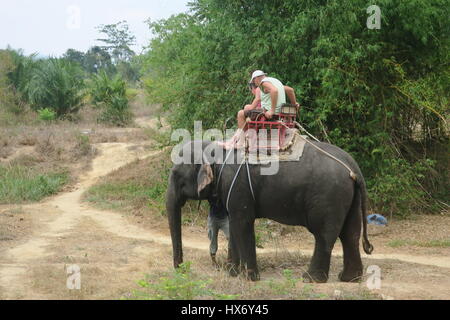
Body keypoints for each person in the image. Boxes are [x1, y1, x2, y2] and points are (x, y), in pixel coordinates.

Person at [222, 70, 300, 148]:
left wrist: (272, 110)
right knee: (249, 111)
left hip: (271, 113)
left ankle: (241, 141)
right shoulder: (274, 81)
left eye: (253, 81)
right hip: (281, 112)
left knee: (241, 113)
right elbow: (290, 90)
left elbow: (274, 91)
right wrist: (294, 104)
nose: (255, 84)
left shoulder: (263, 83)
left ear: (256, 78)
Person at [207, 199, 230, 266]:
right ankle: (213, 261)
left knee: (231, 237)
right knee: (213, 240)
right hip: (213, 218)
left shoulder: (225, 189)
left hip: (225, 218)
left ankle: (230, 259)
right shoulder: (212, 190)